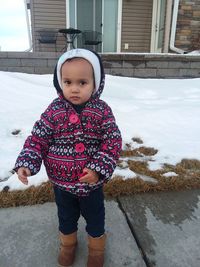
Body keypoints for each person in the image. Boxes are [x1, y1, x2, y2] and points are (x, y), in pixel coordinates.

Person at [14, 48, 122, 267]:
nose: (74, 89)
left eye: (82, 83)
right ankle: (68, 244)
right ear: (59, 83)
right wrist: (27, 162)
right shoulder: (54, 111)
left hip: (91, 184)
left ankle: (96, 247)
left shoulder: (101, 111)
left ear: (96, 83)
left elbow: (112, 141)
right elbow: (38, 138)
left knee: (95, 218)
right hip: (61, 184)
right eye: (68, 82)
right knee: (66, 217)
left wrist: (98, 169)